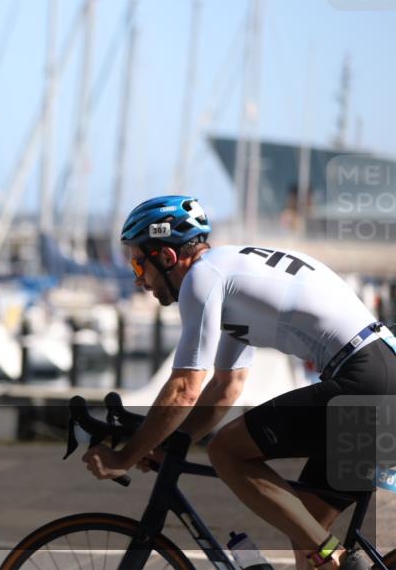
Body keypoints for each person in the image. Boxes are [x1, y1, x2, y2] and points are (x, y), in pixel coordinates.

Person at [81, 195, 396, 570]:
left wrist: (124, 457)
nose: (138, 280)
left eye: (137, 264)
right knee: (304, 527)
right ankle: (331, 556)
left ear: (166, 256)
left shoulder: (203, 277)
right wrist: (173, 445)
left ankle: (336, 556)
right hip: (380, 371)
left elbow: (185, 387)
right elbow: (226, 387)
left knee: (228, 451)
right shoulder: (228, 275)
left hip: (364, 379)